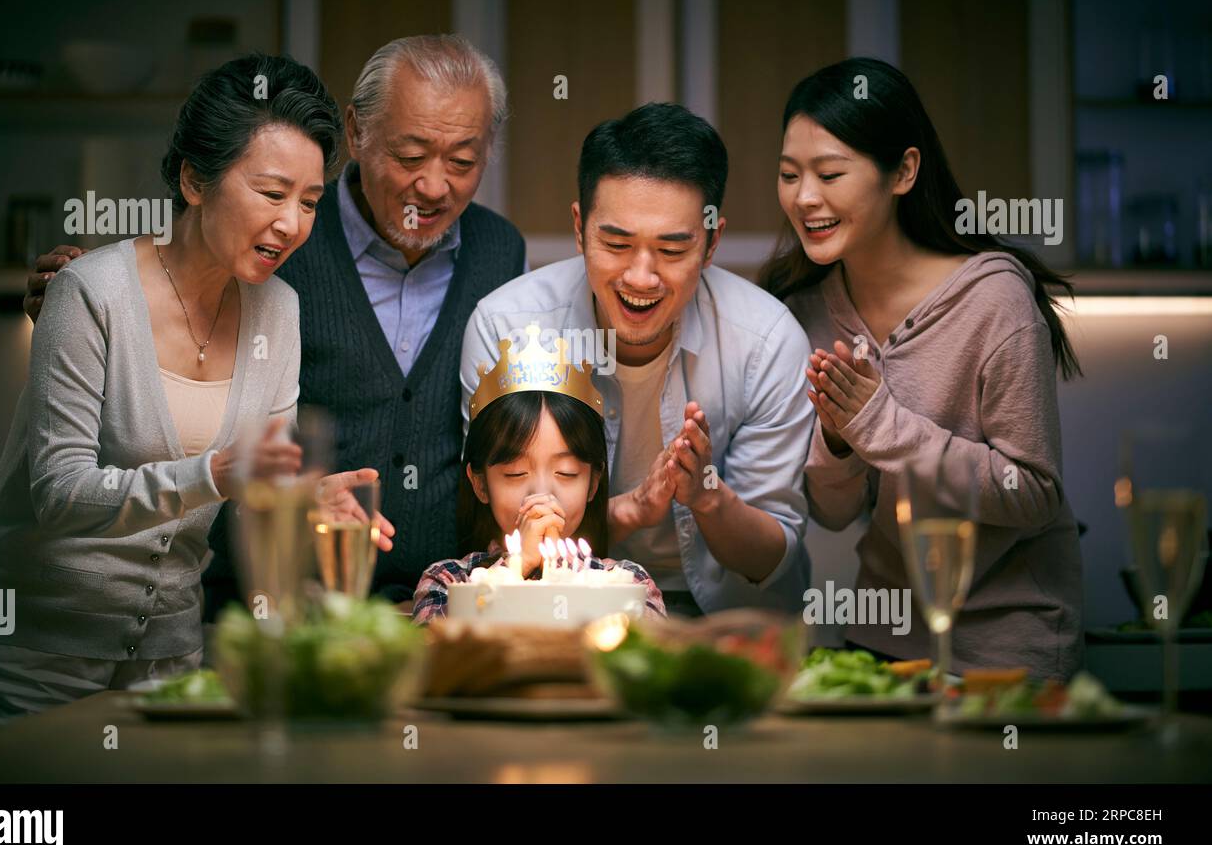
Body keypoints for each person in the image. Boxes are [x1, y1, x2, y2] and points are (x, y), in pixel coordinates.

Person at [0, 53, 389, 730]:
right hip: (34, 658)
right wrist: (210, 471)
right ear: (194, 179)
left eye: (308, 202)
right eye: (272, 194)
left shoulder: (280, 311)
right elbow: (60, 492)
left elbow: (253, 478)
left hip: (167, 659)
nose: (293, 224)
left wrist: (305, 497)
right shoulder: (90, 294)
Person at [23, 35, 527, 608]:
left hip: (436, 597)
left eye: (463, 162)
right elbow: (182, 251)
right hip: (263, 598)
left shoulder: (499, 252)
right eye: (411, 156)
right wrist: (86, 296)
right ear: (357, 132)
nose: (434, 186)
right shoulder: (272, 252)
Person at [763, 57, 1083, 680]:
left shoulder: (994, 300)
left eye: (830, 173)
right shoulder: (803, 312)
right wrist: (838, 440)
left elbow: (1035, 494)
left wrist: (882, 426)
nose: (804, 197)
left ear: (904, 171)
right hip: (881, 639)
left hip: (1005, 649)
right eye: (788, 174)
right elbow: (832, 513)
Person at [462, 103, 815, 617]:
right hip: (558, 609)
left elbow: (772, 555)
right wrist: (629, 511)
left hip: (731, 623)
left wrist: (707, 496)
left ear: (712, 242)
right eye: (617, 243)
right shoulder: (509, 329)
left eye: (672, 251)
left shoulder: (766, 341)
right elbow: (497, 533)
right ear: (580, 228)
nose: (641, 278)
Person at [413, 330, 665, 624]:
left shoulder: (626, 583)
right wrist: (517, 566)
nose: (542, 496)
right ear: (480, 483)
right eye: (515, 473)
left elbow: (646, 657)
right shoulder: (449, 581)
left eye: (567, 473)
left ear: (593, 483)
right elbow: (438, 655)